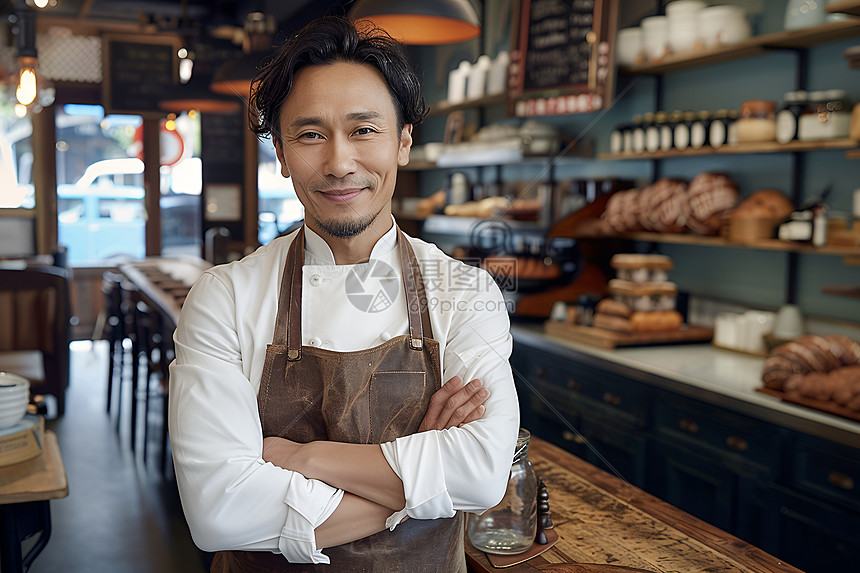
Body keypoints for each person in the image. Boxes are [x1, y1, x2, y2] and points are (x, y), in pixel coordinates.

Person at [168, 15, 520, 572]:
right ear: (281, 155)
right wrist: (418, 484)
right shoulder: (224, 297)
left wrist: (301, 458)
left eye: (364, 130)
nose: (338, 163)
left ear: (403, 140)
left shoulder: (464, 290)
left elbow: (481, 472)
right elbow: (219, 513)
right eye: (310, 135)